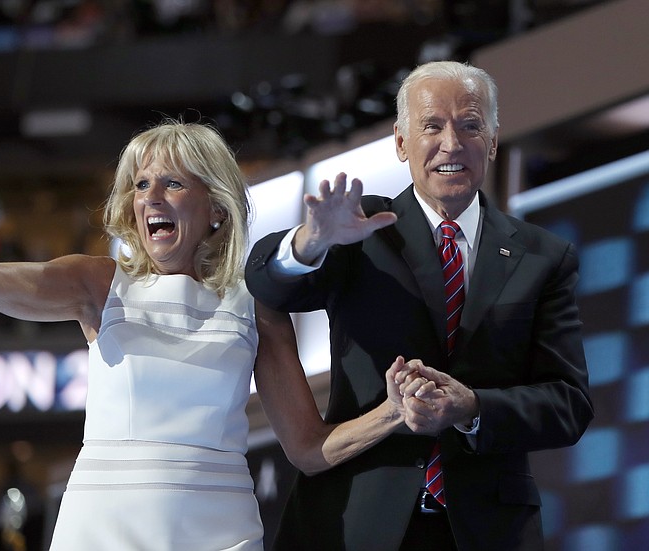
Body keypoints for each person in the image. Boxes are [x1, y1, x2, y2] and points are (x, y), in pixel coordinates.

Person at [0, 69, 421, 551]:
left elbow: (306, 447)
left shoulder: (256, 304)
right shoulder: (99, 284)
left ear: (215, 207)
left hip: (220, 533)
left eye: (172, 182)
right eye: (141, 184)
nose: (150, 197)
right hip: (102, 531)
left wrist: (391, 412)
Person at [244, 60, 594, 550]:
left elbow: (568, 404)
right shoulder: (362, 228)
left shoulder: (544, 257)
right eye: (432, 125)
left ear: (492, 141)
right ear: (402, 142)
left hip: (489, 532)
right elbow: (266, 281)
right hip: (355, 523)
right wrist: (310, 242)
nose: (451, 143)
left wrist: (471, 408)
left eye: (470, 125)